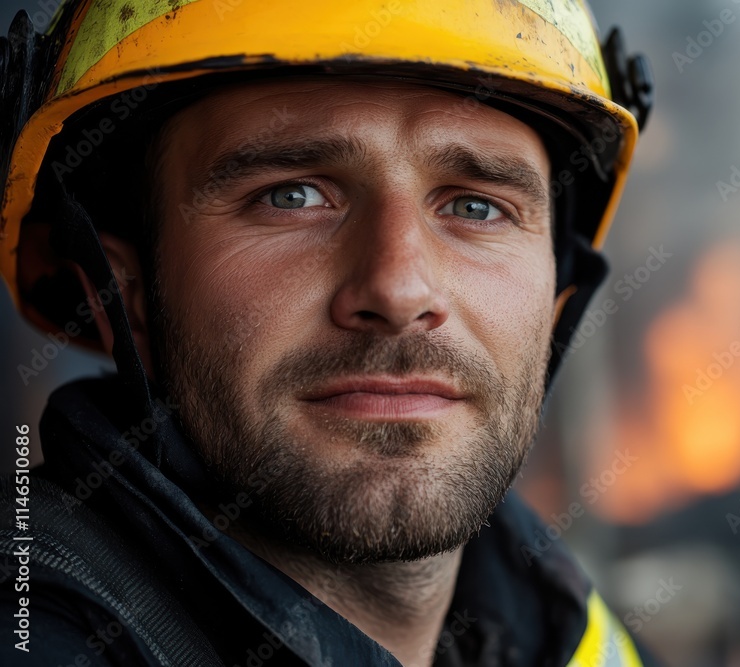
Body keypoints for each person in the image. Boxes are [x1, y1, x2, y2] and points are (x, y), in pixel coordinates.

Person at [0, 0, 654, 664]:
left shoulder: (574, 636)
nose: (399, 292)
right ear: (123, 298)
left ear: (554, 298)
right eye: (293, 196)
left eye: (476, 206)